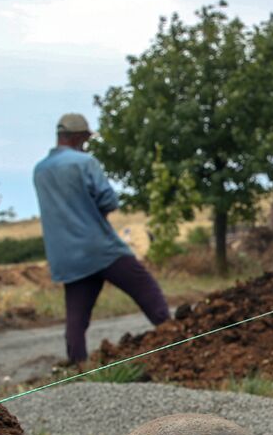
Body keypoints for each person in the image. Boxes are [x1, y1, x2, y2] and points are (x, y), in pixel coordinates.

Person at [33, 113, 170, 365]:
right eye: (85, 138)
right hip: (100, 248)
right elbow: (108, 200)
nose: (86, 143)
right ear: (77, 137)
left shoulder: (40, 170)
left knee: (76, 317)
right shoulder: (84, 162)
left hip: (67, 257)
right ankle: (175, 339)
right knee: (146, 288)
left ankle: (78, 368)